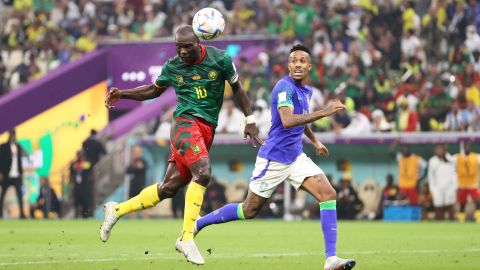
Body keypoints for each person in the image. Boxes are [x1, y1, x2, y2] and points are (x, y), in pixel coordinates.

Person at [100, 25, 262, 265]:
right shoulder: (173, 66)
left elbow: (237, 88)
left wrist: (249, 119)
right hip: (186, 124)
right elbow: (153, 90)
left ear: (199, 43)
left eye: (187, 47)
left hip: (207, 129)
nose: (183, 52)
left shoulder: (221, 60)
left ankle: (116, 210)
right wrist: (122, 94)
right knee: (203, 173)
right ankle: (187, 237)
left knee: (168, 188)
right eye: (179, 47)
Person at [194, 44, 355, 270]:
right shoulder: (283, 87)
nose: (298, 64)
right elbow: (289, 120)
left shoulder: (305, 91)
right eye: (293, 60)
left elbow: (301, 120)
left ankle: (331, 259)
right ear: (289, 66)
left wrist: (315, 141)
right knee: (248, 210)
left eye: (302, 61)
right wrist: (325, 111)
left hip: (295, 156)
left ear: (309, 66)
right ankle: (199, 222)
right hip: (275, 158)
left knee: (328, 193)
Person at [0, 130, 27, 219]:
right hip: (7, 175)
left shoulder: (18, 147)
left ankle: (22, 214)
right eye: (11, 135)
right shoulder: (3, 147)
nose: (13, 137)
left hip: (16, 176)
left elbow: (20, 162)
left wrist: (21, 175)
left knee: (20, 195)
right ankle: (0, 213)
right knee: (2, 195)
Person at [451, 142, 480, 223]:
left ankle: (478, 218)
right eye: (465, 146)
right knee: (462, 203)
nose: (466, 147)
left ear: (470, 147)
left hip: (473, 184)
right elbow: (448, 159)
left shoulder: (476, 157)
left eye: (468, 145)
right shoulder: (458, 157)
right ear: (463, 147)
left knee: (478, 201)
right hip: (462, 184)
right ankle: (461, 219)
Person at [428, 145, 457, 221]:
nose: (439, 151)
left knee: (449, 205)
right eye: (437, 149)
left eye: (440, 149)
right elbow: (431, 176)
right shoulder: (432, 160)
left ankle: (452, 222)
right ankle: (439, 222)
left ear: (444, 150)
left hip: (449, 186)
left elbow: (455, 173)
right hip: (437, 186)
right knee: (438, 205)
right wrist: (432, 188)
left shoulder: (451, 159)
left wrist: (454, 186)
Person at [125, 146, 148, 219]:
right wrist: (135, 168)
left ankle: (145, 218)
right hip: (133, 184)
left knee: (143, 201)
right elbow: (127, 171)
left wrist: (136, 168)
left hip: (141, 184)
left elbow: (142, 169)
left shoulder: (143, 161)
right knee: (132, 201)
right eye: (134, 152)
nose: (136, 153)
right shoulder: (133, 162)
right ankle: (133, 219)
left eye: (137, 152)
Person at [70, 150, 94, 218]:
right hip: (77, 185)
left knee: (85, 201)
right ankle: (76, 216)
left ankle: (86, 215)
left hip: (85, 185)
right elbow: (71, 172)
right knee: (76, 201)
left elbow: (90, 169)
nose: (80, 156)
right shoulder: (74, 164)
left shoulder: (87, 163)